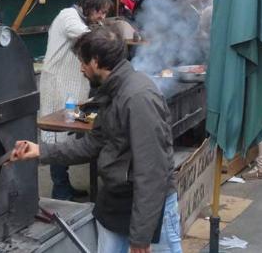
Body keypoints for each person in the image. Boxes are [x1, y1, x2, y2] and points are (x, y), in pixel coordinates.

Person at [11, 27, 181, 253]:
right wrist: (41, 150)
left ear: (96, 61)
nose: (80, 67)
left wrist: (141, 236)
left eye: (82, 61)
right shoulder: (113, 91)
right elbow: (93, 143)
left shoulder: (138, 97)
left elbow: (152, 173)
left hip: (150, 209)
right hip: (115, 201)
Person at [39, 0, 112, 200]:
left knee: (70, 134)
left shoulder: (83, 19)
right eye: (101, 12)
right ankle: (59, 189)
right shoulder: (68, 16)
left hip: (72, 87)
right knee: (57, 136)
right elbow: (87, 37)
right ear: (90, 7)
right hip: (57, 85)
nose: (102, 18)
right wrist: (113, 38)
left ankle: (65, 185)